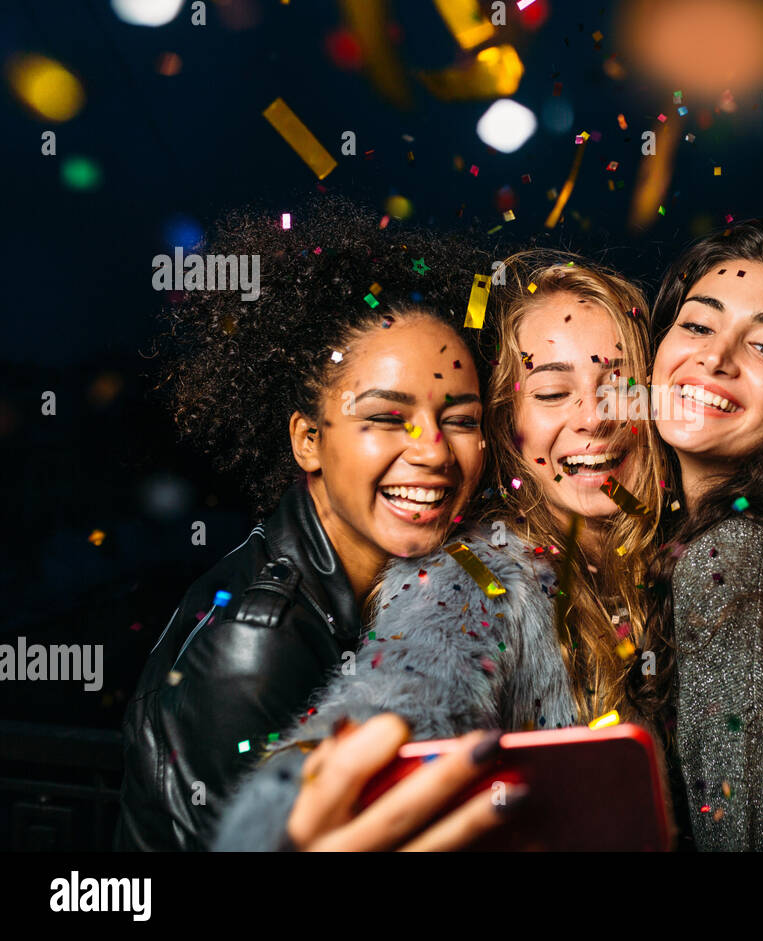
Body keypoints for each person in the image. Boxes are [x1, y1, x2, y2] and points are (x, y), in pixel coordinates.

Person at [212, 253, 667, 850]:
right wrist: (290, 828)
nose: (595, 418)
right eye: (553, 391)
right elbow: (403, 697)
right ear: (507, 427)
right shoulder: (476, 580)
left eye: (619, 386)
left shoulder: (669, 571)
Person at [116, 201, 495, 851]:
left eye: (459, 418)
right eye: (384, 416)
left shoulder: (419, 584)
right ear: (309, 441)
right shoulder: (259, 647)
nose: (433, 450)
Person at [631, 220, 763, 850]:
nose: (716, 359)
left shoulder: (733, 557)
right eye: (698, 325)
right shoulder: (701, 538)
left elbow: (750, 829)